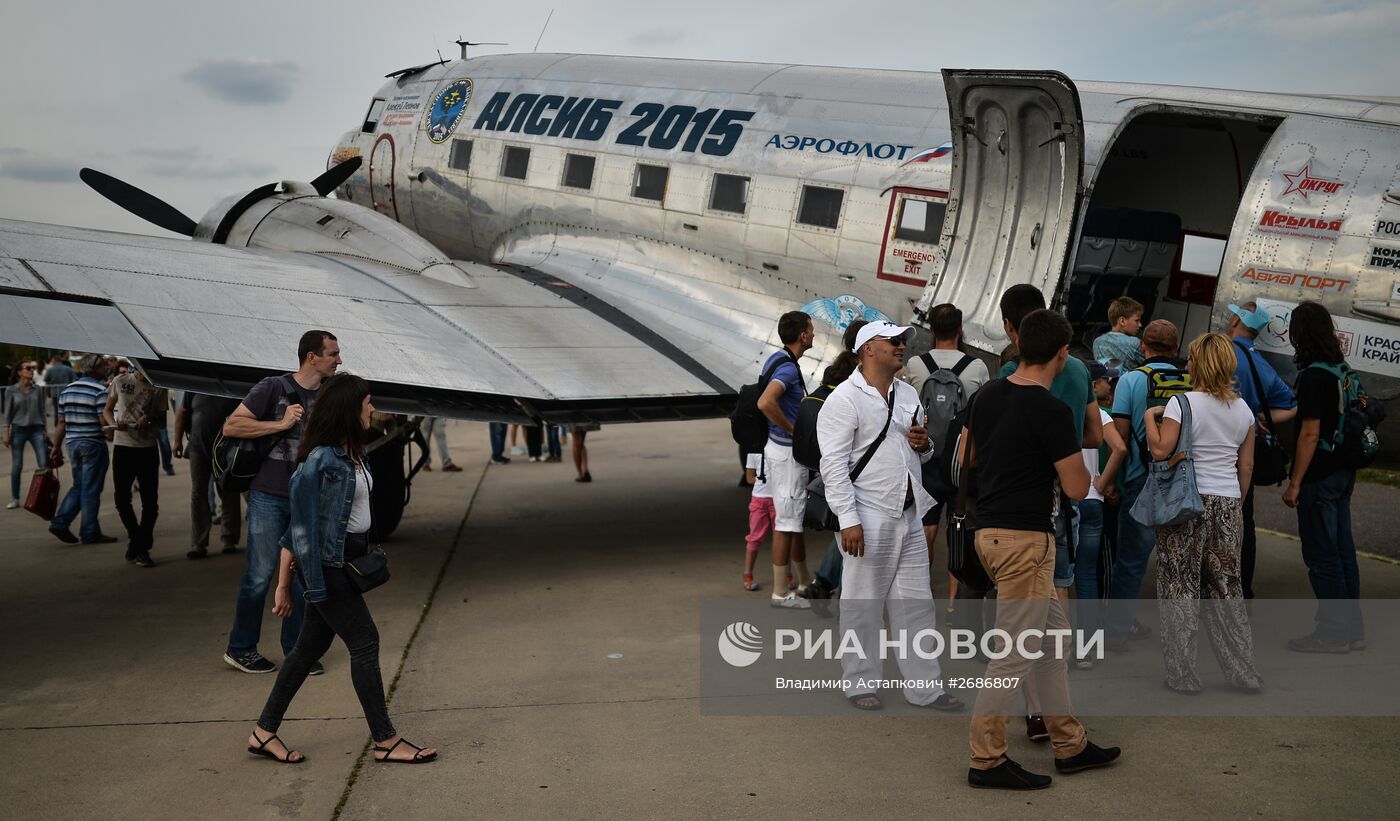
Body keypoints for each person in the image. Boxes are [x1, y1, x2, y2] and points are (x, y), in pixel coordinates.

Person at [962, 309, 1120, 790]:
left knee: (1053, 642)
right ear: (1062, 353)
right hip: (1026, 540)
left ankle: (1069, 743)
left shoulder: (987, 395)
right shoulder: (1051, 410)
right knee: (1014, 652)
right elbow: (1076, 488)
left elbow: (969, 456)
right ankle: (986, 760)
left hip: (987, 532)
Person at [246, 373, 438, 765]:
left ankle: (263, 732)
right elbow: (298, 528)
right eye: (367, 402)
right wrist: (285, 585)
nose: (373, 408)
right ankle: (385, 740)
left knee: (304, 652)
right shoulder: (321, 461)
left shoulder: (353, 452)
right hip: (329, 569)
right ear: (350, 409)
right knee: (365, 642)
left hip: (345, 561)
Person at [818, 320, 962, 713]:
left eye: (903, 342)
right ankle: (859, 682)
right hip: (868, 512)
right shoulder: (844, 399)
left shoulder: (908, 393)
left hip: (910, 511)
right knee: (863, 603)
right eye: (893, 341)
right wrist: (848, 519)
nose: (901, 347)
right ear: (868, 349)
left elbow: (918, 453)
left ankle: (925, 687)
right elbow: (832, 466)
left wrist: (925, 444)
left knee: (917, 605)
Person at [1144, 332, 1261, 692]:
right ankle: (1243, 672)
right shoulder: (1243, 410)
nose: (1188, 364)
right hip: (1227, 501)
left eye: (1191, 358)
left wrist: (1151, 417)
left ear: (1199, 364)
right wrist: (1235, 503)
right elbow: (1246, 466)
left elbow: (1162, 450)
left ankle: (1183, 675)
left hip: (1186, 502)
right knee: (1227, 588)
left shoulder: (1182, 403)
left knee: (1180, 585)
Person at [222, 330, 341, 675]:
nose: (339, 359)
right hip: (269, 495)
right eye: (333, 353)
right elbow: (233, 426)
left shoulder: (330, 395)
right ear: (311, 357)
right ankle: (241, 647)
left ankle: (296, 650)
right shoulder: (272, 387)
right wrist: (281, 423)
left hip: (307, 498)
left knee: (304, 577)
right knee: (259, 574)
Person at [1282, 302, 1365, 653]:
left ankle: (1332, 634)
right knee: (1343, 550)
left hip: (1320, 473)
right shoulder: (1341, 369)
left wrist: (1296, 481)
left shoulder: (1314, 376)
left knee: (1321, 555)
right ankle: (1352, 630)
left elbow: (1309, 434)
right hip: (1344, 471)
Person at [1105, 318, 1186, 651]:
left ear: (1142, 346)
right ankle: (1182, 633)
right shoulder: (1191, 381)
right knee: (1180, 560)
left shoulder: (1131, 380)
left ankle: (1117, 631)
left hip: (1142, 478)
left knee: (1131, 559)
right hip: (1182, 480)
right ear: (1177, 348)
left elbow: (1120, 436)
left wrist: (1113, 482)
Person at [904, 303, 990, 578]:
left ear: (931, 329)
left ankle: (921, 592)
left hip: (926, 457)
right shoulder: (976, 367)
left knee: (926, 528)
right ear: (960, 329)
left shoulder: (917, 365)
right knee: (958, 530)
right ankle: (954, 608)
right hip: (961, 460)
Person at [1226, 302, 1297, 599]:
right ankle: (1242, 588)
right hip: (1248, 449)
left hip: (1220, 449)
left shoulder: (1224, 354)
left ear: (1235, 320)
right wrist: (1258, 418)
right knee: (1244, 521)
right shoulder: (1258, 361)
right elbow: (1292, 405)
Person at [757, 310, 816, 607]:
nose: (814, 334)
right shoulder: (789, 370)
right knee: (786, 523)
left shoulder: (778, 358)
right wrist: (794, 430)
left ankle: (804, 580)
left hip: (777, 451)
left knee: (793, 521)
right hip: (786, 455)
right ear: (803, 335)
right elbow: (766, 401)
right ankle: (781, 592)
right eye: (811, 329)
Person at [1073, 361, 1127, 667]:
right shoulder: (1102, 416)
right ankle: (1087, 649)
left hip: (1070, 499)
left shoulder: (1066, 411)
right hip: (1094, 502)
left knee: (1057, 577)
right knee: (1088, 575)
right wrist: (1103, 482)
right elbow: (1118, 449)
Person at [47, 355, 118, 545]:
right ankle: (89, 532)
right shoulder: (99, 390)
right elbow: (103, 420)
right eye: (103, 365)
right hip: (93, 443)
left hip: (73, 443)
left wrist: (56, 447)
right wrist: (113, 434)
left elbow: (61, 422)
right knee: (91, 488)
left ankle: (61, 522)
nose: (106, 368)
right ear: (96, 369)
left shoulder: (68, 390)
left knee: (79, 485)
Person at [102, 364, 168, 567]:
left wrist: (149, 419)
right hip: (123, 446)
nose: (141, 371)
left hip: (147, 448)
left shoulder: (158, 387)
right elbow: (106, 409)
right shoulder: (121, 382)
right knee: (122, 499)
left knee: (150, 502)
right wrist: (114, 423)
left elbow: (162, 421)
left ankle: (140, 546)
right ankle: (138, 540)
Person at [174, 391, 244, 558]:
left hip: (226, 448)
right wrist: (177, 441)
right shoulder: (194, 388)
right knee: (198, 492)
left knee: (228, 491)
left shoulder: (230, 387)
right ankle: (198, 543)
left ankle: (229, 539)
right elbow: (182, 412)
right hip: (198, 447)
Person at [4, 360, 49, 509]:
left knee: (43, 464)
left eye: (33, 368)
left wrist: (45, 431)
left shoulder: (38, 389)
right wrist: (6, 433)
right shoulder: (11, 390)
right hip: (18, 430)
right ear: (19, 372)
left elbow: (42, 412)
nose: (32, 371)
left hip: (36, 429)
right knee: (17, 465)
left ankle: (43, 497)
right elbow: (7, 414)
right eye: (28, 368)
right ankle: (15, 498)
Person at [741, 449, 775, 591]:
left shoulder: (780, 449)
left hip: (777, 500)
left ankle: (786, 574)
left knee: (782, 538)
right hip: (759, 500)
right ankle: (747, 574)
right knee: (754, 538)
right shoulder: (753, 451)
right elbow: (749, 478)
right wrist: (763, 480)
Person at [1092, 296, 1145, 371]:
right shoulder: (1135, 343)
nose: (1140, 325)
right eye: (1137, 320)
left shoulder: (1097, 342)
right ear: (1122, 321)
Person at [43, 353, 75, 423]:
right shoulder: (68, 369)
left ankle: (57, 423)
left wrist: (48, 392)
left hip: (54, 392)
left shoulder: (50, 370)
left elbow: (47, 382)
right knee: (67, 409)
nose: (52, 363)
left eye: (52, 361)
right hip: (67, 392)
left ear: (55, 360)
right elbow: (74, 379)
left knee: (57, 410)